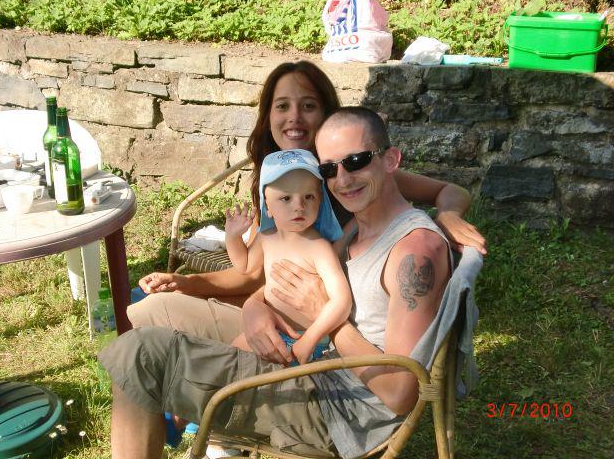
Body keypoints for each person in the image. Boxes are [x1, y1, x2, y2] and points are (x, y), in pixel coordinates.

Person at [99, 106, 453, 458]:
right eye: (329, 169)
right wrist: (255, 306)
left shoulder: (416, 251)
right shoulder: (356, 229)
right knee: (151, 311)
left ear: (391, 160)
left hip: (338, 408)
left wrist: (323, 316)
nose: (342, 179)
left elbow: (399, 391)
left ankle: (187, 423)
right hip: (306, 354)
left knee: (141, 354)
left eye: (356, 161)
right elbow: (283, 275)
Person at [128, 61, 486, 360]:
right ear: (269, 115)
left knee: (154, 319)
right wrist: (192, 285)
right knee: (147, 304)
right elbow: (255, 271)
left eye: (309, 106)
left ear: (328, 116)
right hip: (282, 304)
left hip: (319, 325)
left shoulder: (357, 173)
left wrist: (448, 215)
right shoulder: (279, 180)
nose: (294, 118)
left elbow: (450, 191)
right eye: (282, 106)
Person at [225, 149, 350, 365]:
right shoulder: (266, 238)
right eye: (286, 198)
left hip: (308, 339)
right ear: (267, 205)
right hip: (270, 329)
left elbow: (342, 301)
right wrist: (232, 237)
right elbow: (244, 265)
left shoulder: (318, 247)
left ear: (320, 201)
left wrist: (310, 340)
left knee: (237, 365)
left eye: (308, 197)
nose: (298, 206)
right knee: (230, 357)